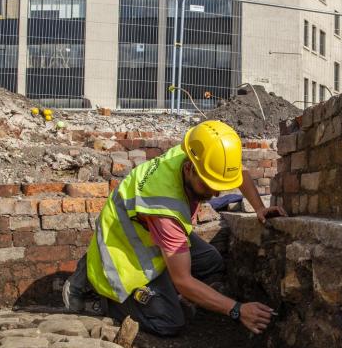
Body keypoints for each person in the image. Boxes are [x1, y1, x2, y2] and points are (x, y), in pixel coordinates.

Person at [63, 120, 286, 336]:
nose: (215, 194)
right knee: (170, 321)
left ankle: (156, 286)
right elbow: (183, 280)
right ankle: (99, 293)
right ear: (189, 169)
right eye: (208, 185)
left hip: (141, 230)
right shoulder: (165, 208)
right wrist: (237, 309)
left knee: (211, 262)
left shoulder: (195, 152)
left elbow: (237, 172)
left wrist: (259, 208)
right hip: (125, 252)